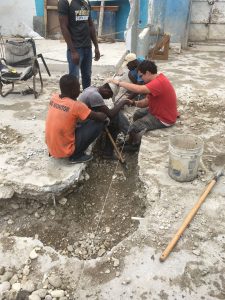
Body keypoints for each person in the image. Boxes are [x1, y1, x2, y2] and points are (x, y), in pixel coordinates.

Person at [109, 60, 178, 152]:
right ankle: (131, 141)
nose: (141, 79)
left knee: (133, 127)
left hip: (163, 118)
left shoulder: (158, 82)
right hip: (158, 110)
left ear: (148, 73)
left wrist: (118, 83)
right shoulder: (156, 81)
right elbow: (146, 102)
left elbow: (139, 89)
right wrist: (133, 103)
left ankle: (135, 145)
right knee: (137, 114)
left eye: (141, 76)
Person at [45, 74, 107, 163]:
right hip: (65, 151)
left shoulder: (54, 98)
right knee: (99, 123)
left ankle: (59, 150)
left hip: (52, 149)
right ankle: (76, 155)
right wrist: (103, 114)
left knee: (77, 122)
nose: (80, 90)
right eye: (78, 87)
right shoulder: (76, 106)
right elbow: (100, 117)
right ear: (73, 90)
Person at [78, 83, 130, 158]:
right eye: (109, 96)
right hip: (83, 122)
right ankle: (129, 133)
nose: (108, 98)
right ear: (107, 90)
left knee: (115, 116)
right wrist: (123, 102)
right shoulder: (95, 95)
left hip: (86, 117)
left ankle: (129, 133)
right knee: (115, 118)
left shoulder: (92, 89)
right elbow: (111, 114)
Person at [58, 0, 100, 90]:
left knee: (87, 76)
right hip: (75, 48)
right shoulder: (65, 2)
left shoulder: (86, 2)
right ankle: (72, 102)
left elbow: (91, 25)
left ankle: (86, 100)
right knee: (74, 79)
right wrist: (73, 51)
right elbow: (63, 27)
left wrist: (96, 47)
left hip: (87, 47)